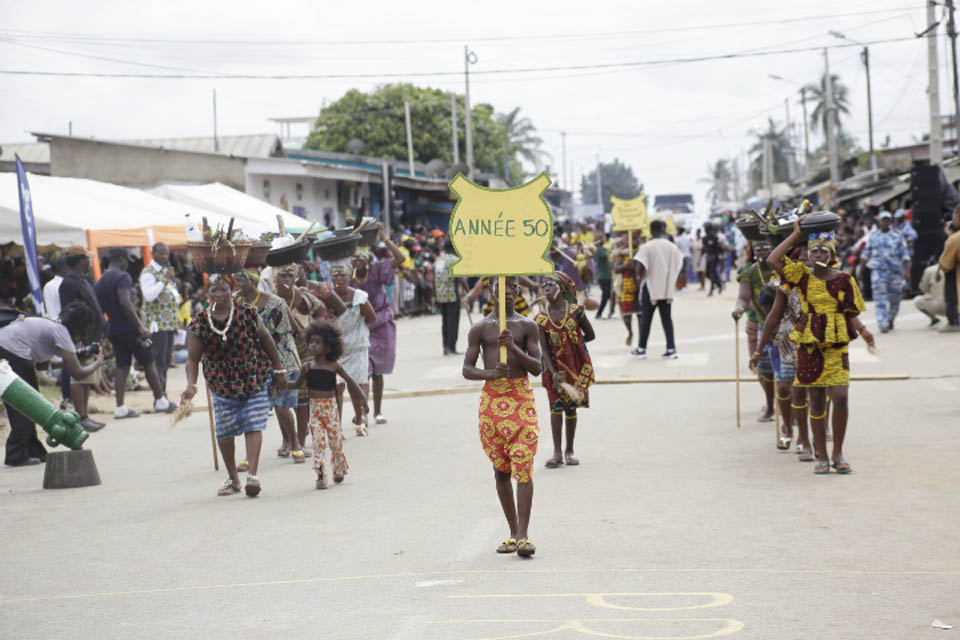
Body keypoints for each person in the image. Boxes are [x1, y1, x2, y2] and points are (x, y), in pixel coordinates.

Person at [768, 224, 876, 474]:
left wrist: (864, 331)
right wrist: (796, 234)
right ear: (808, 253)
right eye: (813, 251)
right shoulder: (801, 276)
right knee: (815, 400)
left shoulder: (844, 279)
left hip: (836, 346)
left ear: (832, 255)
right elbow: (774, 259)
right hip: (809, 346)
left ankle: (838, 452)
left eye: (823, 251)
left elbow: (850, 311)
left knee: (840, 396)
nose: (817, 255)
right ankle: (823, 456)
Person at [181, 276, 289, 497]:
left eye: (224, 289)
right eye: (214, 290)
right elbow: (192, 358)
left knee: (254, 422)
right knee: (224, 431)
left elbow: (266, 339)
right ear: (207, 293)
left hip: (254, 377)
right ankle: (233, 478)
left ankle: (253, 476)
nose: (219, 294)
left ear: (232, 291)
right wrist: (191, 385)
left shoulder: (248, 313)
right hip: (221, 384)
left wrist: (278, 370)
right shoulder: (200, 322)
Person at [463, 276, 542, 557]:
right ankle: (512, 532)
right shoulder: (480, 329)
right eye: (500, 288)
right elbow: (467, 369)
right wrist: (491, 373)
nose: (506, 293)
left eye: (512, 288)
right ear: (492, 292)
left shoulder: (527, 325)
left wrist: (514, 347)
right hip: (492, 401)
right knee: (501, 469)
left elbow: (537, 367)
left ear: (518, 291)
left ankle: (524, 535)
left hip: (521, 399)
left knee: (524, 460)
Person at [0, 302, 105, 466]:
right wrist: (97, 363)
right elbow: (77, 373)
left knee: (29, 402)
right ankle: (16, 453)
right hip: (13, 350)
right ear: (82, 326)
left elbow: (43, 366)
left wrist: (75, 358)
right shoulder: (61, 332)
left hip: (7, 346)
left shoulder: (52, 326)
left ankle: (33, 450)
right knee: (28, 403)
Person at [95, 248, 176, 418]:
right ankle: (160, 400)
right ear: (122, 260)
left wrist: (105, 333)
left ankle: (120, 407)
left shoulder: (101, 281)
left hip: (114, 329)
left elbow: (100, 310)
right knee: (148, 362)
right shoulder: (123, 277)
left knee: (122, 367)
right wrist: (140, 326)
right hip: (129, 328)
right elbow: (125, 301)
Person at [234, 269, 304, 463]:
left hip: (282, 358)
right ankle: (250, 455)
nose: (237, 283)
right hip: (252, 362)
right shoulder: (233, 303)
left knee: (282, 407)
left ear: (253, 282)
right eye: (236, 279)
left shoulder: (275, 302)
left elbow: (292, 331)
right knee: (252, 410)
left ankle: (296, 443)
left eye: (242, 279)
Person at [288, 321, 368, 489]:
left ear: (329, 347)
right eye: (311, 341)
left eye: (318, 342)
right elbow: (296, 385)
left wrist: (363, 400)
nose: (313, 345)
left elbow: (350, 381)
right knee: (318, 443)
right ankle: (320, 474)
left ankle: (338, 469)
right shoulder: (307, 367)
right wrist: (281, 385)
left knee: (335, 442)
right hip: (315, 411)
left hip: (331, 410)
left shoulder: (333, 366)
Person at [275, 262, 345, 452]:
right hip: (281, 350)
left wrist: (316, 335)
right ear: (275, 278)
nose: (287, 279)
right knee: (281, 398)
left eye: (291, 275)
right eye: (282, 275)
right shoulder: (271, 299)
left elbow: (323, 311)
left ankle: (299, 440)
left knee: (303, 396)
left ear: (297, 276)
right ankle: (287, 439)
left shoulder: (305, 295)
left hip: (306, 348)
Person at [751, 247, 813, 460]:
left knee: (806, 391)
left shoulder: (825, 281)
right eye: (802, 260)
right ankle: (787, 426)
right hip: (788, 341)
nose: (807, 264)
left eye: (810, 259)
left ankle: (805, 438)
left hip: (815, 341)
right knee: (786, 387)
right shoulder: (785, 284)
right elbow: (774, 316)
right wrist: (759, 350)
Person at [535, 273, 595, 469]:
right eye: (543, 286)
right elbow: (543, 349)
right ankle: (557, 452)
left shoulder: (576, 312)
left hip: (574, 368)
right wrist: (553, 372)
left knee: (571, 407)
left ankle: (570, 450)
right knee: (555, 407)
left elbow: (590, 335)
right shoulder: (541, 319)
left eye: (549, 285)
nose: (545, 289)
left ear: (560, 288)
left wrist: (574, 346)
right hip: (553, 369)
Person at [351, 224, 406, 424]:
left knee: (378, 372)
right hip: (361, 324)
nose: (357, 262)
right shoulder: (348, 278)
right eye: (354, 259)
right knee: (362, 370)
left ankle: (377, 411)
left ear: (367, 259)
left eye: (360, 258)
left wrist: (384, 236)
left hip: (381, 324)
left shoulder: (377, 269)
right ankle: (361, 411)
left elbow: (400, 259)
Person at [58, 245, 106, 431]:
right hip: (81, 337)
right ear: (80, 261)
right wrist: (78, 338)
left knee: (87, 378)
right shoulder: (69, 284)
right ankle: (81, 416)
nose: (89, 261)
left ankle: (85, 415)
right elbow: (70, 313)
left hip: (92, 335)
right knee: (79, 377)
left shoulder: (83, 280)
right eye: (87, 259)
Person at [329, 259, 375, 435]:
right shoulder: (328, 296)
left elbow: (372, 318)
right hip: (336, 348)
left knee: (356, 385)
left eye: (343, 275)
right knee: (337, 388)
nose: (339, 278)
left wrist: (358, 330)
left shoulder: (359, 297)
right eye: (336, 275)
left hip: (357, 346)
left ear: (350, 276)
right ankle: (337, 427)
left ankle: (360, 419)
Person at [732, 240, 776, 422]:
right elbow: (743, 297)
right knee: (764, 370)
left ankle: (790, 409)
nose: (763, 251)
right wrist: (739, 309)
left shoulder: (782, 269)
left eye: (767, 248)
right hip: (762, 324)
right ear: (753, 251)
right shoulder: (749, 273)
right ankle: (771, 406)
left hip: (786, 325)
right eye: (758, 248)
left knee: (788, 371)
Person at [632, 220, 685, 359]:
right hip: (666, 288)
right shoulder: (672, 247)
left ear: (650, 230)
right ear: (663, 230)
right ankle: (671, 349)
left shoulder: (646, 247)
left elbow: (640, 266)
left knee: (646, 319)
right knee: (667, 319)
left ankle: (641, 349)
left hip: (650, 287)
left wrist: (638, 281)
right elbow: (680, 264)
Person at [139, 243, 181, 394]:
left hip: (169, 323)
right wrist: (164, 279)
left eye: (166, 254)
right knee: (158, 361)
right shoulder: (148, 272)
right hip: (157, 324)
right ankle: (160, 396)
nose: (164, 257)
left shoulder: (165, 271)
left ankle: (163, 393)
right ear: (153, 253)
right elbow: (149, 295)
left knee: (165, 362)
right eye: (161, 254)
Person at [859, 211, 910, 333]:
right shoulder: (873, 237)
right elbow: (865, 255)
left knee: (895, 300)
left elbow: (905, 255)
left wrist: (908, 272)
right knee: (880, 299)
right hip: (878, 272)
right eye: (883, 220)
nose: (885, 222)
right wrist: (861, 272)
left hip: (894, 272)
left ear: (890, 222)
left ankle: (890, 319)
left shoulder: (898, 236)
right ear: (879, 222)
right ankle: (882, 322)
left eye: (887, 220)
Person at [433, 239, 462, 355]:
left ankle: (445, 346)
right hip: (452, 295)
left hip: (440, 295)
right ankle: (452, 347)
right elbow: (458, 277)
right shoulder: (454, 260)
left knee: (444, 321)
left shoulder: (438, 260)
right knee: (453, 321)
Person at [613, 234, 641, 348]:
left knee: (641, 315)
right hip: (625, 288)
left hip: (639, 288)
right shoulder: (622, 254)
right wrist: (626, 265)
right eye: (631, 239)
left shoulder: (641, 252)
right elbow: (616, 269)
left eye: (635, 238)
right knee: (626, 316)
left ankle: (641, 338)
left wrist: (634, 265)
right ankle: (630, 333)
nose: (634, 241)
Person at [937, 206, 960, 333]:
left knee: (951, 294)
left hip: (955, 274)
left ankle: (953, 322)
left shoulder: (955, 238)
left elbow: (946, 265)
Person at [914, 262, 947, 326]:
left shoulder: (930, 269)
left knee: (918, 300)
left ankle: (934, 320)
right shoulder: (955, 267)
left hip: (939, 305)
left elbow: (923, 288)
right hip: (955, 305)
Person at [593, 237, 613, 319]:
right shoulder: (599, 250)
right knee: (606, 296)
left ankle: (610, 312)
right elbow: (605, 255)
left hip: (607, 276)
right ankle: (599, 313)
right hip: (604, 277)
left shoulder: (603, 249)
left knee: (610, 296)